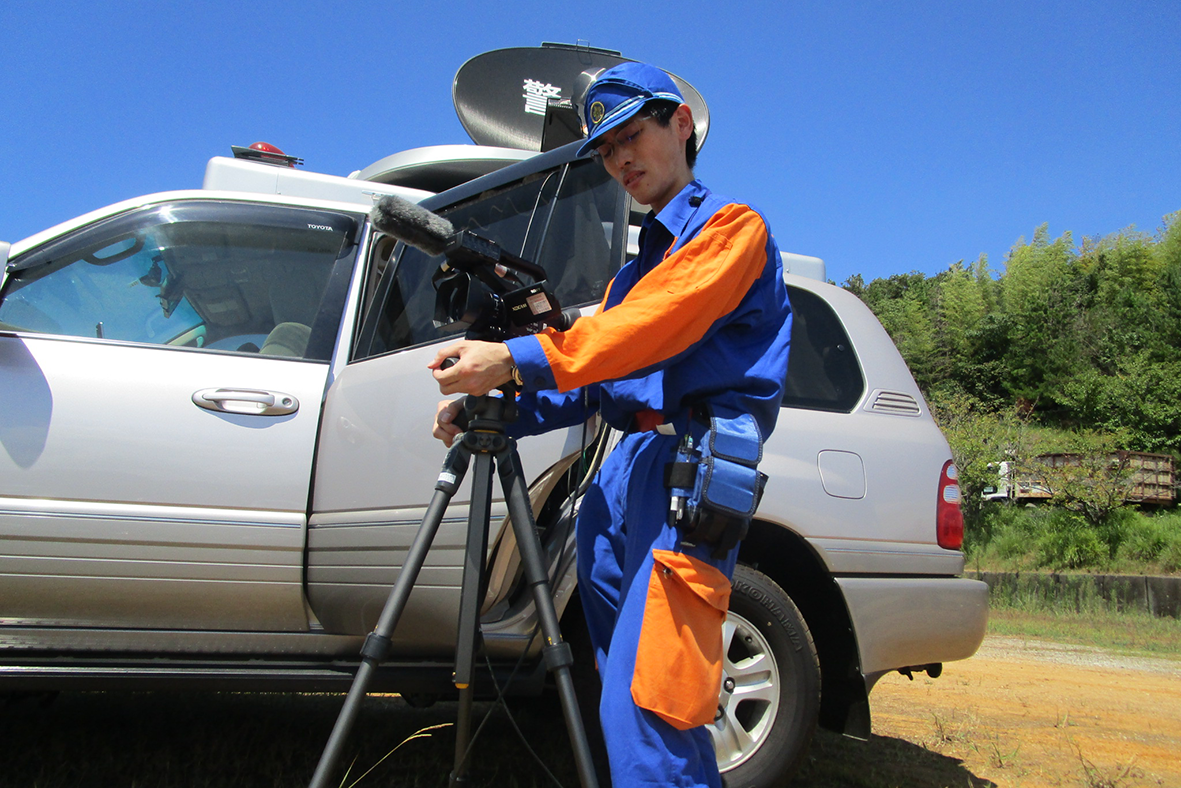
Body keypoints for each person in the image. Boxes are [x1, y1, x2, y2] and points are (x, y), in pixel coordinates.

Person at [430, 61, 792, 788]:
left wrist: (513, 357)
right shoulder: (632, 274)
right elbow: (600, 383)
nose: (620, 159)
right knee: (617, 682)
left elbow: (645, 334)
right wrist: (494, 405)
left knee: (653, 701)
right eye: (605, 148)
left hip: (689, 473)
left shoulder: (730, 230)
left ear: (679, 124)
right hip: (623, 476)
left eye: (632, 135)